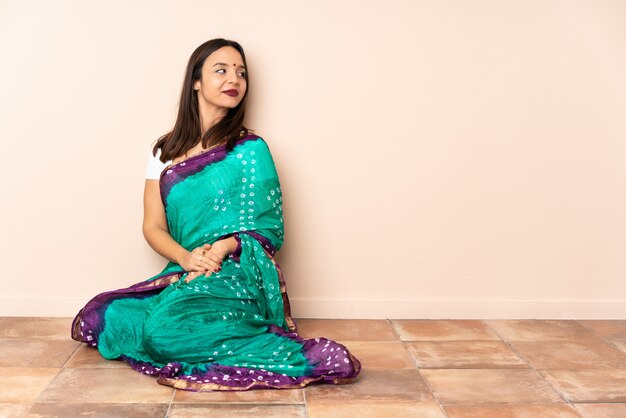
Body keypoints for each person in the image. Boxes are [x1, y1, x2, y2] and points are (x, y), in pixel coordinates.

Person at [71, 38, 361, 391]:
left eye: (241, 73)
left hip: (236, 269)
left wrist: (222, 249)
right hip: (188, 266)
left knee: (162, 334)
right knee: (102, 315)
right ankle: (197, 324)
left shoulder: (250, 149)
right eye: (221, 70)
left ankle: (289, 354)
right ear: (196, 81)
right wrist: (187, 258)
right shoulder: (165, 151)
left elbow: (269, 228)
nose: (234, 80)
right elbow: (152, 226)